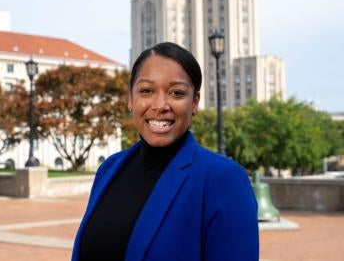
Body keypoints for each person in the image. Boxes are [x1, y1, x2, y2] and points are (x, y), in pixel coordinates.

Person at [72, 42, 259, 261]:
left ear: (195, 102)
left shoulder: (223, 178)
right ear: (131, 98)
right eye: (146, 91)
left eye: (176, 93)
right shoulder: (109, 169)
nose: (160, 105)